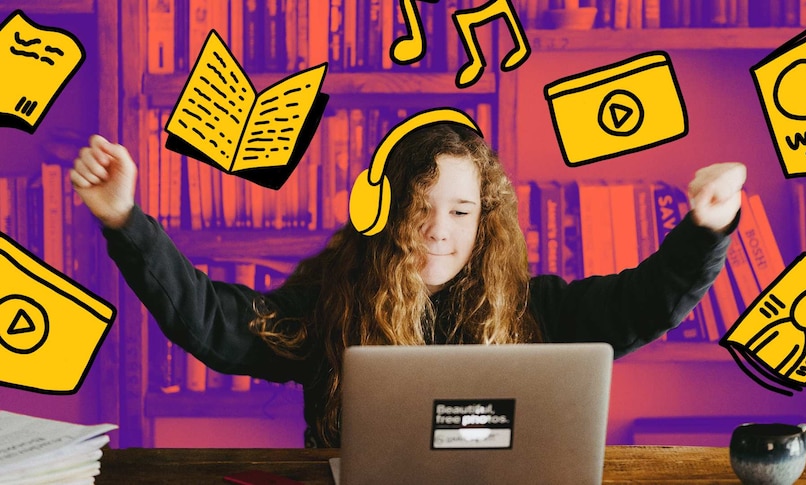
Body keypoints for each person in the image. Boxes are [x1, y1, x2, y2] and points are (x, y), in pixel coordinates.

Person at [72, 125, 746, 447]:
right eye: (418, 206)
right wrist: (124, 221)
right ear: (386, 210)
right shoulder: (334, 300)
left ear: (485, 221)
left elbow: (641, 305)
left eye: (459, 211)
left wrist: (706, 229)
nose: (437, 230)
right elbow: (212, 322)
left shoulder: (534, 306)